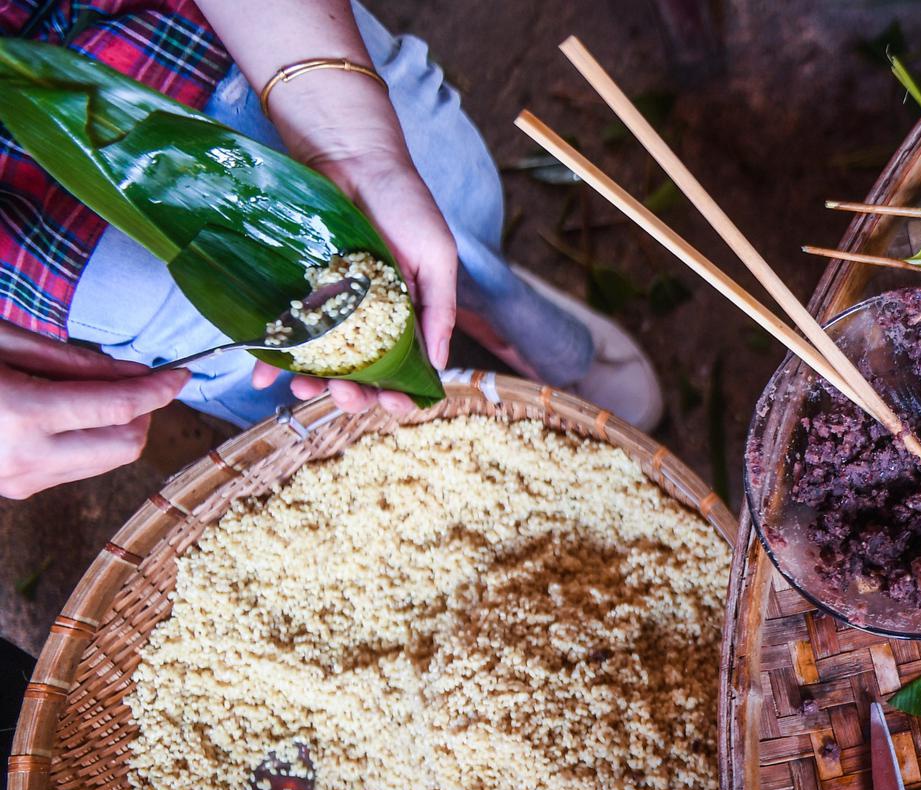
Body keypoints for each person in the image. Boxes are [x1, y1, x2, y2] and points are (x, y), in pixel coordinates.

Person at [0, 0, 664, 503]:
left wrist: (356, 147)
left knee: (445, 193)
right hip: (51, 231)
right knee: (244, 363)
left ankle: (493, 312)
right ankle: (383, 453)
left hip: (215, 23)